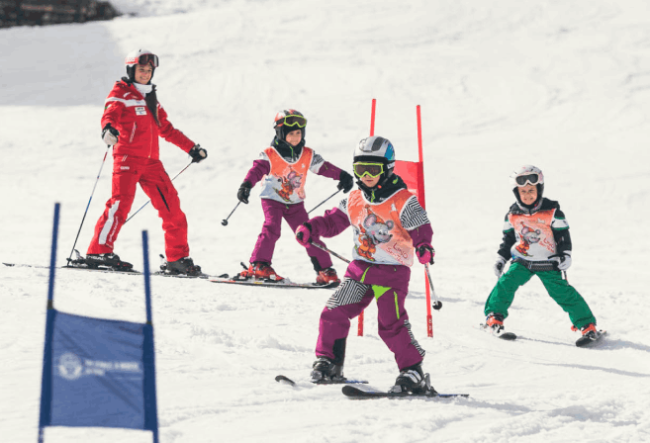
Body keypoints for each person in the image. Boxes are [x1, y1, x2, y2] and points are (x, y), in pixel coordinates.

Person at [294, 136, 436, 394]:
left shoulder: (403, 200)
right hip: (360, 269)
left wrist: (424, 246)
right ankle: (329, 363)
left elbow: (421, 227)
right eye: (361, 169)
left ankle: (413, 371)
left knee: (390, 324)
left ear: (388, 168)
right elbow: (333, 221)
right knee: (334, 311)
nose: (367, 175)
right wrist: (311, 228)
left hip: (391, 273)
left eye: (374, 168)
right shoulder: (354, 197)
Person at [84, 49, 207, 276]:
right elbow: (109, 113)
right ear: (131, 70)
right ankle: (98, 252)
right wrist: (108, 129)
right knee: (120, 204)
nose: (146, 73)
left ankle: (177, 258)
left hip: (152, 163)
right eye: (141, 69)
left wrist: (191, 148)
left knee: (173, 209)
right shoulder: (121, 92)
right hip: (127, 158)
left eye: (149, 70)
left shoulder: (150, 98)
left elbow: (166, 129)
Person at [235, 109, 354, 284]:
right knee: (272, 227)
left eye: (299, 133)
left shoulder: (307, 154)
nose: (295, 137)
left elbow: (324, 167)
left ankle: (324, 270)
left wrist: (342, 175)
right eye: (291, 134)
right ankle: (259, 265)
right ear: (280, 133)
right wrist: (246, 185)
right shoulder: (270, 154)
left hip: (295, 203)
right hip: (272, 199)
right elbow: (257, 169)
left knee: (307, 232)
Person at [483, 165, 598, 341]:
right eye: (523, 191)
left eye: (531, 190)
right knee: (506, 284)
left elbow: (563, 236)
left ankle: (587, 325)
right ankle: (494, 317)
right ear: (516, 193)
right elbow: (507, 240)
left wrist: (565, 254)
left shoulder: (552, 212)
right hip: (521, 261)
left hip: (548, 261)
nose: (527, 194)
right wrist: (501, 258)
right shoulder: (512, 214)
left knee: (562, 293)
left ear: (539, 189)